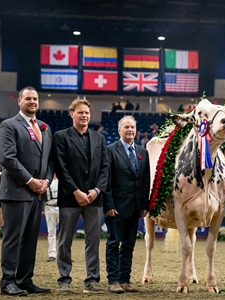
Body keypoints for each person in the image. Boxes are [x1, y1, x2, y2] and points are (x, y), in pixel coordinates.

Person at [0, 86, 53, 296]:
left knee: (30, 239)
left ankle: (24, 279)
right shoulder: (9, 125)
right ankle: (8, 281)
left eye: (35, 99)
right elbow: (7, 158)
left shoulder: (44, 128)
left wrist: (46, 180)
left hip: (37, 192)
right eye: (28, 98)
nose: (32, 102)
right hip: (16, 191)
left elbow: (49, 160)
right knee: (13, 238)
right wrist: (30, 181)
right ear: (19, 101)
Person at [52, 98, 109, 294]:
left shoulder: (99, 138)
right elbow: (61, 167)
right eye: (80, 112)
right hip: (70, 197)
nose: (84, 115)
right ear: (72, 114)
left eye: (87, 112)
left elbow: (105, 167)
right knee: (65, 240)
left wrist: (96, 190)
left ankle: (92, 280)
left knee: (93, 241)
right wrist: (76, 191)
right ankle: (64, 280)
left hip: (95, 199)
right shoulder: (60, 137)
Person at [104, 115, 150, 293]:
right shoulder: (110, 150)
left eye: (132, 127)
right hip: (116, 207)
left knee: (129, 245)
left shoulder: (142, 151)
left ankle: (125, 280)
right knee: (114, 243)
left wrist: (144, 204)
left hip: (135, 207)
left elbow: (146, 180)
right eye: (126, 127)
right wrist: (108, 205)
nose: (130, 130)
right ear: (119, 130)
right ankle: (113, 280)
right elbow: (106, 180)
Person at [45, 174, 59, 262]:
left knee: (65, 232)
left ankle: (64, 253)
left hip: (62, 206)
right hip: (49, 206)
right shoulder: (47, 179)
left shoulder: (61, 178)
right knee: (51, 231)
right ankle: (52, 254)